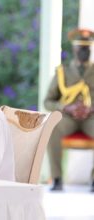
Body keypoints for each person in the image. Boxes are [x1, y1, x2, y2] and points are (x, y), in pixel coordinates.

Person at [44, 29, 94, 191]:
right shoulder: (62, 72)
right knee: (52, 128)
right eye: (81, 48)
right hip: (69, 118)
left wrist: (91, 109)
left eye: (87, 49)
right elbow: (48, 101)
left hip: (90, 118)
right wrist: (65, 107)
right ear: (74, 49)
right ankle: (57, 179)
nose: (84, 52)